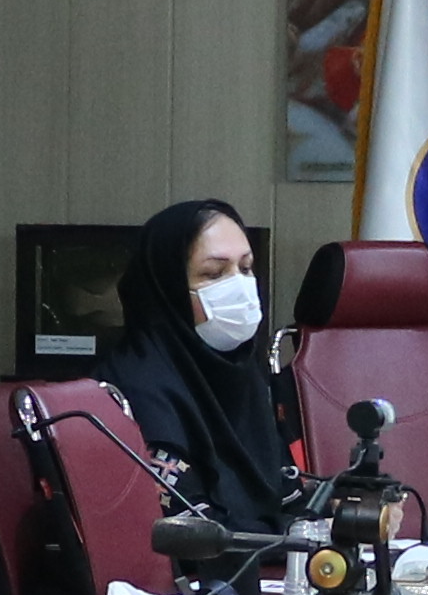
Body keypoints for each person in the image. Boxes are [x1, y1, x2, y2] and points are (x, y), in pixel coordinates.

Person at [90, 196, 295, 536]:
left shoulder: (242, 373)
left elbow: (287, 492)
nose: (240, 286)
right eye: (214, 273)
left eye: (245, 268)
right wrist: (295, 538)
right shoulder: (138, 387)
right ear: (167, 289)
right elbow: (190, 533)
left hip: (263, 560)